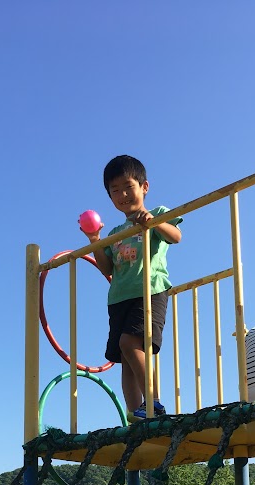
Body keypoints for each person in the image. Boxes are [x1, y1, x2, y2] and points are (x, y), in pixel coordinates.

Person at [79, 155, 182, 420]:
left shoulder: (157, 213)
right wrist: (95, 239)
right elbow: (107, 267)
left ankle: (153, 403)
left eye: (128, 186)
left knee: (129, 343)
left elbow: (176, 236)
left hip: (149, 291)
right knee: (125, 356)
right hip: (119, 298)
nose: (122, 194)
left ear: (144, 187)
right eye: (115, 190)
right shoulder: (115, 233)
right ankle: (136, 414)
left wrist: (153, 222)